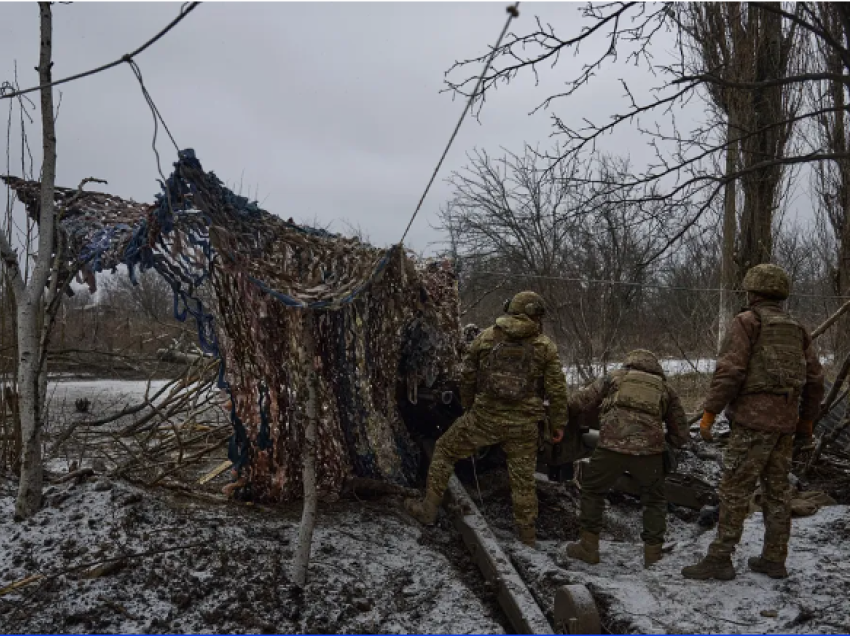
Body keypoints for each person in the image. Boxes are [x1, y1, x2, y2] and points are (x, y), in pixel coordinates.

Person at [682, 263, 824, 581]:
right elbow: (815, 380)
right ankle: (773, 559)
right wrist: (805, 424)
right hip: (785, 425)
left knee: (735, 490)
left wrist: (708, 414)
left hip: (751, 423)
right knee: (778, 492)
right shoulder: (798, 328)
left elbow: (730, 372)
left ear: (752, 291)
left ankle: (720, 558)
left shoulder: (747, 322)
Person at [404, 291, 569, 547]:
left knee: (444, 451)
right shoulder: (544, 346)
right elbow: (557, 390)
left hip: (484, 419)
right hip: (524, 425)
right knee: (523, 482)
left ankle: (428, 510)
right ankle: (527, 537)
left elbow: (467, 376)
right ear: (536, 316)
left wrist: (470, 409)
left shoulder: (486, 337)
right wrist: (558, 424)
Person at [562, 349, 689, 568]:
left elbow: (579, 402)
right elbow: (682, 434)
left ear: (630, 363)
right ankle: (653, 556)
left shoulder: (614, 377)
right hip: (648, 453)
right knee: (654, 501)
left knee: (593, 490)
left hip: (611, 447)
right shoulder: (665, 388)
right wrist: (665, 443)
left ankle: (588, 548)